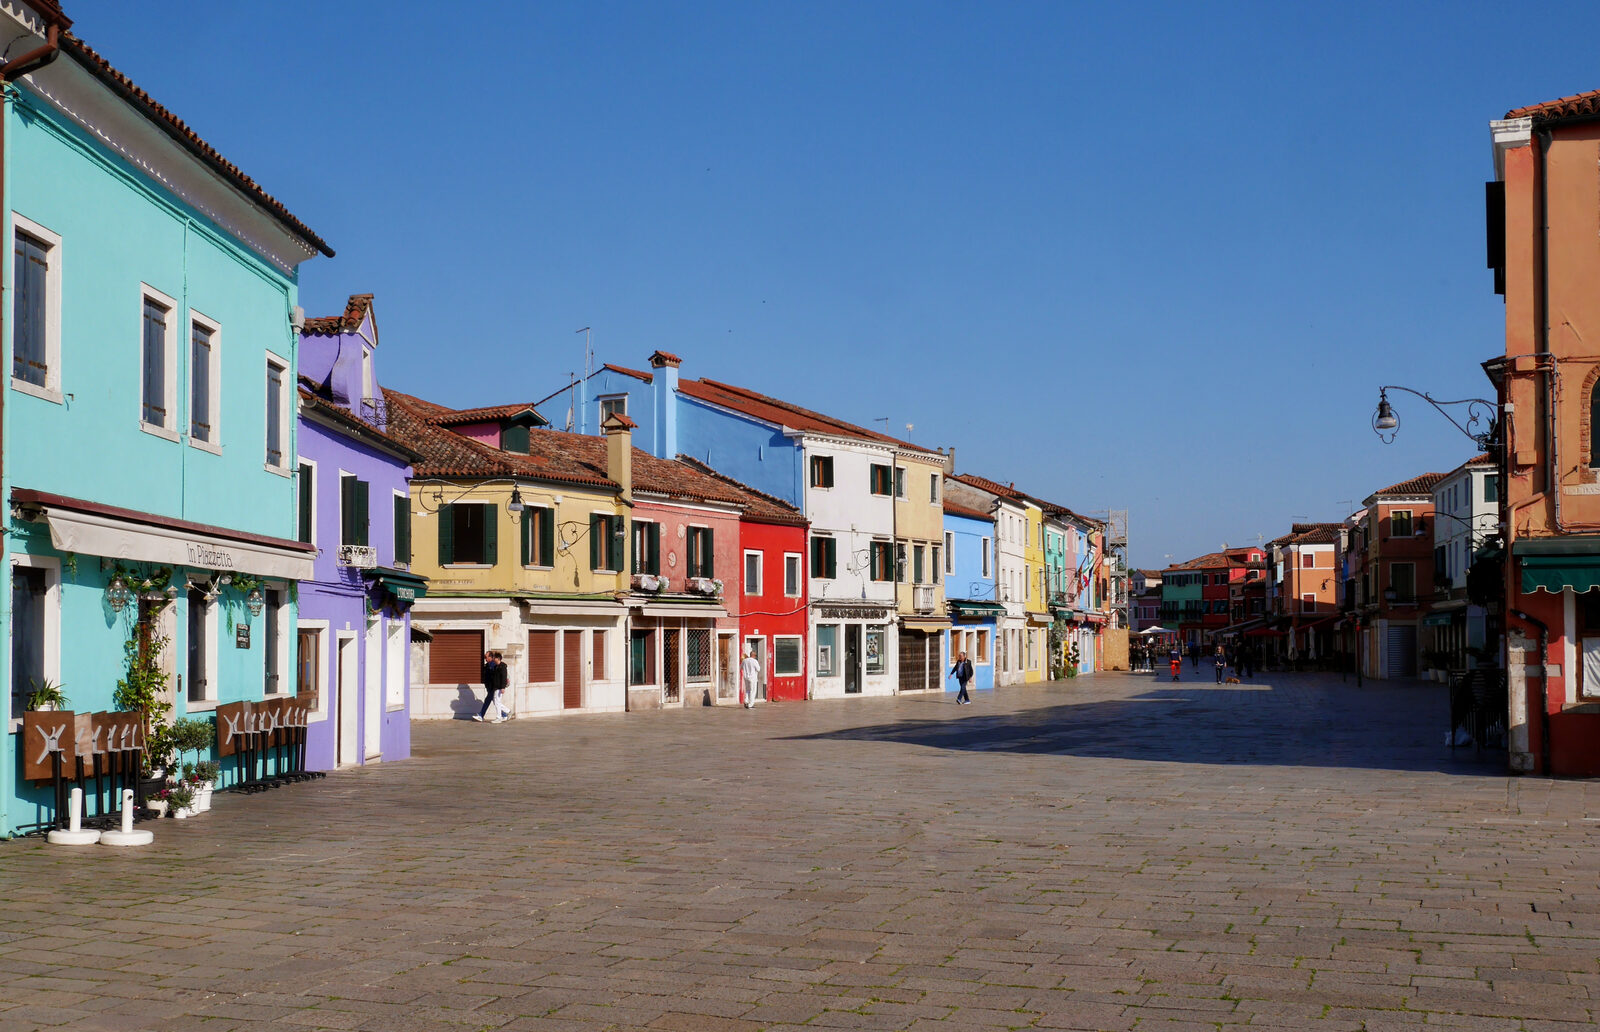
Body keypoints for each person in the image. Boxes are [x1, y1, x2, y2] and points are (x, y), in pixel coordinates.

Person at [475, 650, 501, 722]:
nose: (485, 659)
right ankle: (506, 713)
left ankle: (481, 715)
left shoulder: (493, 665)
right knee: (495, 702)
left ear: (491, 657)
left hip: (493, 686)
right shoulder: (488, 665)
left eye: (486, 657)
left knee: (488, 700)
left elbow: (494, 676)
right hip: (489, 686)